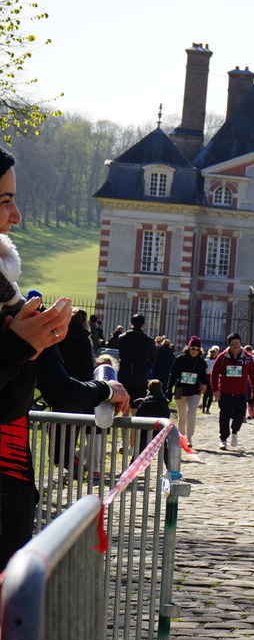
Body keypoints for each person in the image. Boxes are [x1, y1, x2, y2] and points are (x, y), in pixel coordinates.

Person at [0, 147, 129, 564]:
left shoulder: (13, 303)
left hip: (13, 480)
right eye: (5, 201)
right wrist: (20, 347)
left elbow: (20, 401)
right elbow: (61, 391)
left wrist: (28, 347)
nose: (17, 216)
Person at [209, 333, 254, 451]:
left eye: (237, 343)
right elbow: (214, 373)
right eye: (233, 344)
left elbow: (253, 376)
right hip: (225, 393)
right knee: (224, 416)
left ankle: (235, 432)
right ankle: (223, 439)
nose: (235, 346)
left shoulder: (248, 358)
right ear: (229, 345)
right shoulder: (222, 357)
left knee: (239, 417)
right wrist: (215, 389)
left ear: (240, 344)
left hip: (240, 393)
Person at [131, 379, 183, 481]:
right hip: (160, 431)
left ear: (148, 390)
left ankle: (131, 470)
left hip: (145, 431)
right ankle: (171, 469)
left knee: (139, 451)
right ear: (161, 389)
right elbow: (166, 416)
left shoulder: (145, 401)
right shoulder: (164, 402)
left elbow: (139, 415)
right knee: (165, 452)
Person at [169, 337, 208, 450]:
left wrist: (205, 385)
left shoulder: (201, 362)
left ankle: (189, 438)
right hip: (180, 390)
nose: (194, 351)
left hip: (194, 391)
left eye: (197, 349)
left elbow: (203, 377)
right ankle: (181, 438)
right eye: (193, 348)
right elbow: (173, 375)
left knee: (191, 413)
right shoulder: (180, 359)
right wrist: (169, 389)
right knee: (182, 416)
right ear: (188, 348)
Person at [117, 313, 154, 404]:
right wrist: (146, 367)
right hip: (140, 375)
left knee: (124, 404)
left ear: (131, 324)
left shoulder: (122, 338)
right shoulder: (148, 341)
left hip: (124, 374)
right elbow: (153, 358)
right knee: (137, 404)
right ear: (143, 325)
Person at [201, 345, 219, 413]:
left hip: (208, 377)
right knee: (209, 394)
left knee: (207, 394)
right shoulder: (214, 361)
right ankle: (206, 409)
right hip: (210, 377)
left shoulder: (206, 361)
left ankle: (204, 408)